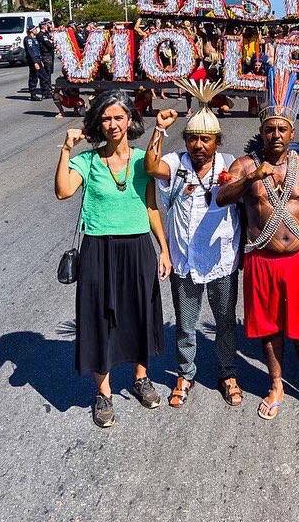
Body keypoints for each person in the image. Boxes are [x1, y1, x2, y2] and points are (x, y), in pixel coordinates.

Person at [217, 69, 299, 422]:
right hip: (261, 260)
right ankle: (277, 384)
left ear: (292, 132)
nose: (276, 134)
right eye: (269, 128)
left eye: (282, 129)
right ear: (261, 131)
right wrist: (250, 179)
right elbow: (222, 197)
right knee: (269, 328)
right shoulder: (244, 165)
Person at [54, 89, 172, 428]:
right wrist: (66, 149)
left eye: (118, 117)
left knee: (139, 314)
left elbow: (151, 206)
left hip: (137, 247)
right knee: (99, 319)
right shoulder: (87, 161)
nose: (112, 124)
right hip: (98, 248)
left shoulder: (140, 161)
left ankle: (140, 377)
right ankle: (103, 393)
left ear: (130, 120)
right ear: (97, 123)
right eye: (105, 118)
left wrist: (162, 248)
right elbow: (63, 191)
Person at [144, 79, 244, 409]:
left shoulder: (230, 164)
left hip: (222, 261)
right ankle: (185, 374)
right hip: (184, 260)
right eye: (192, 138)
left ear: (216, 141)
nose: (198, 145)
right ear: (185, 140)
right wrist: (159, 130)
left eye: (205, 139)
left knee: (225, 322)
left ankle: (228, 373)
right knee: (186, 326)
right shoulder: (176, 162)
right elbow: (150, 167)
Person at [24, 24, 43, 101]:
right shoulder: (28, 39)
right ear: (31, 30)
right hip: (33, 60)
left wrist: (40, 60)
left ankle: (46, 92)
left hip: (38, 59)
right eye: (35, 29)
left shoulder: (34, 38)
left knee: (43, 76)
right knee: (33, 77)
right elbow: (30, 51)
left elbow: (38, 50)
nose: (36, 30)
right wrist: (35, 62)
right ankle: (33, 94)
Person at [38, 19, 56, 98]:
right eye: (47, 25)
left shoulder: (46, 34)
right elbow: (49, 44)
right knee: (46, 74)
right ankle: (45, 91)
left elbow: (52, 42)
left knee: (48, 73)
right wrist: (51, 42)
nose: (48, 26)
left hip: (49, 55)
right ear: (44, 26)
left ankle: (48, 89)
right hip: (45, 55)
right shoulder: (41, 35)